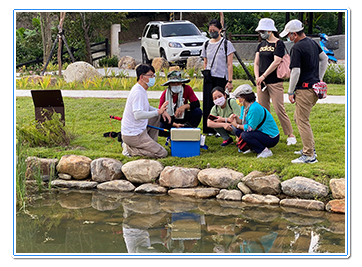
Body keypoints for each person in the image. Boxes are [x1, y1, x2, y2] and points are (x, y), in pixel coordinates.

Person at [280, 19, 328, 164]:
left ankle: (309, 155)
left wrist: (290, 91)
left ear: (294, 34)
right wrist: (318, 78)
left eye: (289, 35)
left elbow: (295, 71)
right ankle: (309, 148)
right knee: (298, 117)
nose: (288, 38)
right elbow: (324, 59)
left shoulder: (297, 47)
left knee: (302, 121)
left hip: (304, 89)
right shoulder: (313, 42)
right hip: (313, 88)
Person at [254, 18, 297, 146]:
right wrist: (258, 77)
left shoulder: (279, 44)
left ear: (270, 30)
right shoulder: (260, 45)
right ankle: (266, 132)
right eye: (260, 31)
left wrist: (264, 75)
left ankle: (290, 134)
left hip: (274, 81)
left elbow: (277, 61)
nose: (261, 33)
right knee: (263, 109)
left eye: (263, 31)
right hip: (261, 83)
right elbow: (256, 62)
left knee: (279, 109)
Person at [121, 64, 171, 158]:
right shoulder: (138, 92)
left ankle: (151, 143)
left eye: (153, 75)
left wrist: (160, 111)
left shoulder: (141, 89)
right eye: (150, 75)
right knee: (162, 153)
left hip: (140, 130)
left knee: (156, 116)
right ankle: (129, 149)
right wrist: (158, 112)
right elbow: (138, 115)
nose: (153, 78)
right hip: (134, 135)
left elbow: (147, 107)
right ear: (141, 77)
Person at [201, 19, 236, 134]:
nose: (212, 32)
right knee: (208, 103)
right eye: (210, 30)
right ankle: (209, 128)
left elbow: (229, 64)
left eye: (214, 30)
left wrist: (229, 81)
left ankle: (221, 127)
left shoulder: (226, 44)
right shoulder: (206, 44)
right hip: (209, 77)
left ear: (220, 30)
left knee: (221, 103)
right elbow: (205, 62)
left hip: (221, 77)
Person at [230, 84, 280, 158]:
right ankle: (253, 148)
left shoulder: (254, 108)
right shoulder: (244, 107)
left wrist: (236, 125)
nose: (237, 100)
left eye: (238, 98)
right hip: (260, 132)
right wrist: (235, 119)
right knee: (238, 131)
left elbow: (250, 128)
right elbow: (242, 120)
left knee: (245, 135)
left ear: (243, 98)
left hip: (271, 137)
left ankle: (264, 151)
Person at [158, 71, 202, 136]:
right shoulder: (165, 94)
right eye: (173, 83)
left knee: (197, 111)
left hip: (183, 116)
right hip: (170, 120)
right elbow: (160, 114)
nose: (176, 85)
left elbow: (196, 104)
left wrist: (184, 106)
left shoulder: (187, 89)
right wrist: (173, 124)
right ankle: (172, 133)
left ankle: (188, 129)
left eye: (178, 83)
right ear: (169, 84)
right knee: (159, 127)